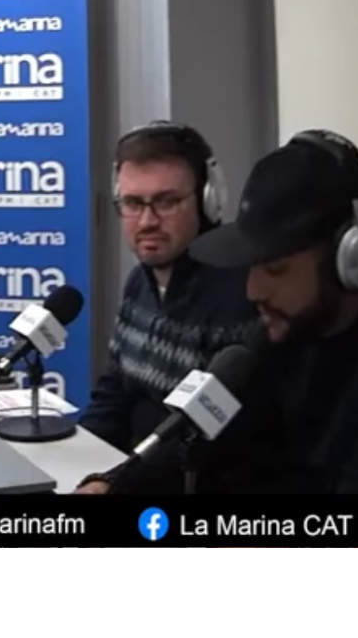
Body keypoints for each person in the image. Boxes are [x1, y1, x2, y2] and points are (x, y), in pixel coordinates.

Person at [80, 129, 358, 494]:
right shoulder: (285, 324)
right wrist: (117, 482)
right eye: (252, 266)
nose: (253, 290)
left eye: (275, 268)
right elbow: (204, 432)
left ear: (352, 257)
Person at [76, 122, 260, 492]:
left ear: (208, 200)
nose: (147, 221)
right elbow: (115, 395)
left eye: (167, 202)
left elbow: (207, 438)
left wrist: (113, 482)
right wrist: (78, 464)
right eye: (133, 203)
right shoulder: (139, 282)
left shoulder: (244, 293)